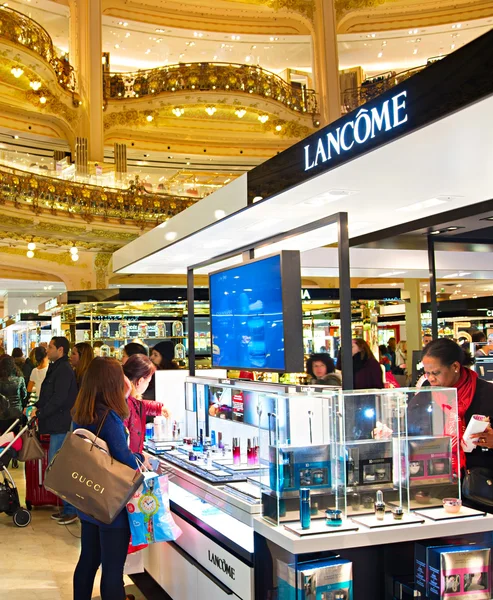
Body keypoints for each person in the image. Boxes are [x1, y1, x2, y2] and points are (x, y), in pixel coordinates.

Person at [72, 357, 139, 600]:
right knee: (112, 570)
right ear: (112, 383)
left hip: (88, 498)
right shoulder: (108, 417)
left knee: (88, 561)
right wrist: (141, 458)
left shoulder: (81, 411)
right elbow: (125, 460)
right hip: (110, 504)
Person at [413, 338, 493, 511]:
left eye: (436, 372)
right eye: (427, 373)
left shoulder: (486, 393)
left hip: (479, 489)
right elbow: (411, 428)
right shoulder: (427, 393)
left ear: (455, 367)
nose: (431, 378)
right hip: (436, 485)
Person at [35, 337, 78, 525]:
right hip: (55, 424)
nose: (47, 350)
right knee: (56, 467)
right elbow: (48, 394)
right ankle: (67, 508)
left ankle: (71, 509)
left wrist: (42, 412)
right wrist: (37, 408)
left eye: (50, 347)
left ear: (60, 349)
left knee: (59, 467)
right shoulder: (56, 368)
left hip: (61, 425)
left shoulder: (64, 370)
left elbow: (59, 398)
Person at [123, 354, 169, 453]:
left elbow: (140, 405)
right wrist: (139, 459)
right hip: (128, 465)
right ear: (140, 381)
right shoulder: (126, 404)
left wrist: (158, 408)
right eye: (148, 381)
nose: (148, 385)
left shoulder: (126, 399)